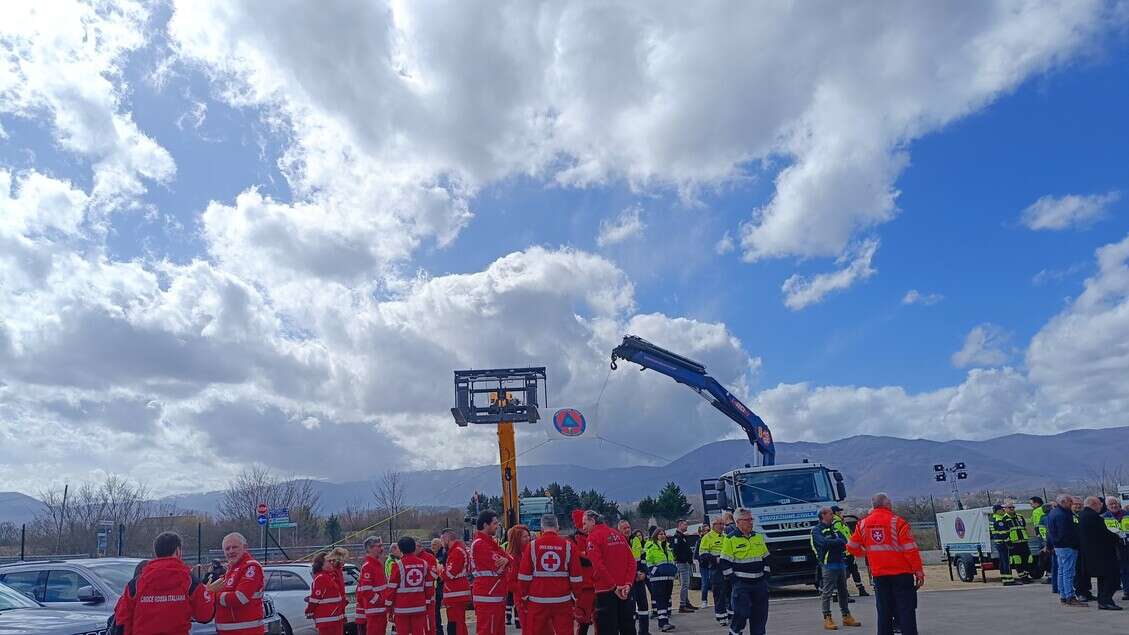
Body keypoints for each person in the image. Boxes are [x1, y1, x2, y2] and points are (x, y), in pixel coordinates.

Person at [846, 493, 923, 635]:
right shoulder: (898, 522)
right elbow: (910, 549)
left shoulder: (862, 524)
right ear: (886, 504)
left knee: (884, 612)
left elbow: (851, 546)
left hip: (880, 575)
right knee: (906, 610)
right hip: (902, 573)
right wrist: (918, 571)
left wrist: (866, 552)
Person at [112, 533, 212, 635]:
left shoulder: (136, 584)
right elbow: (205, 616)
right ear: (178, 551)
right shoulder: (190, 581)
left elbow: (122, 622)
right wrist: (209, 592)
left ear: (156, 553)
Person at [518, 513, 582, 635]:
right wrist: (574, 597)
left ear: (542, 528)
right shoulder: (568, 546)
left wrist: (525, 598)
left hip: (537, 602)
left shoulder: (532, 546)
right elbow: (576, 577)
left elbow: (524, 577)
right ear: (557, 527)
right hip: (562, 601)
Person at [584, 510, 636, 635]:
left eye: (585, 523)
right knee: (628, 626)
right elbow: (632, 562)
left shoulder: (593, 537)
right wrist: (628, 584)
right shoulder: (618, 535)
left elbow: (598, 565)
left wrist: (613, 587)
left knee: (607, 629)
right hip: (624, 591)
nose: (583, 527)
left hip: (606, 591)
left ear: (592, 521)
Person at [811, 507, 862, 630]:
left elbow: (844, 541)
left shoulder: (834, 528)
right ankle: (827, 617)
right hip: (828, 565)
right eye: (830, 513)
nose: (833, 515)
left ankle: (846, 616)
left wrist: (835, 542)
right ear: (823, 515)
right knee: (827, 592)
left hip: (840, 563)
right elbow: (823, 543)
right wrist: (836, 542)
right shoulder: (816, 530)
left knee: (843, 591)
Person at [721, 508, 770, 635]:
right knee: (742, 614)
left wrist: (765, 576)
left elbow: (766, 558)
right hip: (742, 585)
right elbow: (724, 563)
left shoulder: (758, 537)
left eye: (751, 519)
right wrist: (735, 581)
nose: (751, 522)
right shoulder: (730, 539)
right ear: (738, 522)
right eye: (747, 520)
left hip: (760, 584)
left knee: (760, 617)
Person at [205, 532, 266, 635]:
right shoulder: (230, 570)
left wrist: (212, 595)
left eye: (234, 547)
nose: (231, 551)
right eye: (227, 549)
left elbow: (240, 597)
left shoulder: (251, 567)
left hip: (247, 632)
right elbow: (212, 588)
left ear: (245, 547)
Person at [470, 510, 512, 635]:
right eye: (494, 523)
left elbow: (510, 559)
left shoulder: (490, 543)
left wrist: (507, 560)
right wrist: (506, 561)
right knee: (488, 630)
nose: (497, 526)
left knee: (497, 630)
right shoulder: (480, 545)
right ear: (485, 525)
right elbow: (499, 566)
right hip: (488, 595)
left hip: (495, 594)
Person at [1080, 496, 1122, 610]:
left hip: (1092, 553)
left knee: (1103, 579)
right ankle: (1106, 601)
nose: (1101, 506)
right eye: (1100, 504)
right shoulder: (1094, 517)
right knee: (1111, 578)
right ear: (1094, 504)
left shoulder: (1083, 515)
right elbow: (1104, 534)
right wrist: (1116, 537)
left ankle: (1102, 600)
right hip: (1101, 554)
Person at [386, 537, 431, 635]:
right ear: (414, 548)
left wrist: (389, 608)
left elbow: (391, 589)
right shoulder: (424, 564)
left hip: (401, 609)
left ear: (401, 549)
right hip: (419, 607)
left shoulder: (397, 565)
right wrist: (427, 603)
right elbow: (429, 586)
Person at [1047, 494, 1086, 606]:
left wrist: (1050, 545)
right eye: (1070, 502)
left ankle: (1063, 595)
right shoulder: (1063, 515)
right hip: (1067, 547)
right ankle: (1070, 596)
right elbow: (1066, 533)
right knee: (1069, 572)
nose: (1072, 504)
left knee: (1062, 571)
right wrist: (1075, 544)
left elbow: (1050, 532)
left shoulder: (1053, 513)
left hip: (1059, 546)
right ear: (1063, 502)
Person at [644, 527, 677, 632]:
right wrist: (656, 571)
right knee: (660, 600)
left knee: (666, 599)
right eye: (660, 534)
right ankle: (663, 623)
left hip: (668, 578)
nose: (662, 535)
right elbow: (648, 562)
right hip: (658, 579)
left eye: (663, 534)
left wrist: (673, 570)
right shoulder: (651, 546)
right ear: (656, 536)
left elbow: (671, 560)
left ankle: (665, 621)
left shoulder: (668, 547)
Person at [307, 551, 348, 634]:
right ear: (321, 564)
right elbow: (315, 599)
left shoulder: (329, 576)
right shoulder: (321, 578)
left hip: (334, 619)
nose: (332, 563)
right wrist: (309, 611)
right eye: (329, 561)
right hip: (327, 620)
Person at [570, 510, 597, 635]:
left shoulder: (596, 536)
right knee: (583, 620)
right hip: (584, 587)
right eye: (582, 525)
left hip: (598, 585)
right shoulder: (572, 540)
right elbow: (579, 557)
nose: (585, 528)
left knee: (600, 619)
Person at [439, 529, 471, 635]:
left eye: (442, 540)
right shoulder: (456, 550)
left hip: (456, 594)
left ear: (447, 539)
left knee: (456, 624)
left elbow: (449, 573)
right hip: (455, 594)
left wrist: (440, 569)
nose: (442, 544)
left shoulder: (457, 551)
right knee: (455, 623)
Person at [832, 506, 868, 597]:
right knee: (846, 573)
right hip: (844, 552)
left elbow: (849, 536)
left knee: (854, 571)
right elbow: (840, 537)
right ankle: (846, 592)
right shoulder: (836, 523)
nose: (841, 513)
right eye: (839, 511)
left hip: (849, 551)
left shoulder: (841, 522)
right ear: (835, 513)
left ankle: (860, 589)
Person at [358, 536, 389, 635]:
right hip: (375, 610)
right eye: (379, 546)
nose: (382, 549)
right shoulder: (367, 566)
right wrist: (379, 601)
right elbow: (366, 591)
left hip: (381, 609)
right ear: (370, 548)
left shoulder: (378, 564)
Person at [624, 524, 651, 635]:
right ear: (619, 530)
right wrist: (634, 574)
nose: (627, 530)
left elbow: (643, 559)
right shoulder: (619, 542)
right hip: (628, 581)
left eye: (628, 528)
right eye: (624, 528)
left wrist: (644, 573)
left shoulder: (636, 540)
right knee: (630, 609)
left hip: (640, 579)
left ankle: (644, 631)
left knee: (644, 607)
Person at [1102, 496, 1129, 601]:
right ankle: (1127, 590)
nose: (1114, 506)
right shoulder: (1104, 517)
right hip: (1115, 547)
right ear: (1107, 506)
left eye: (1115, 503)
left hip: (1127, 544)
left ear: (1119, 504)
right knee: (1123, 570)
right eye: (1111, 504)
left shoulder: (1127, 515)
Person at [505, 525, 531, 631]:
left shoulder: (530, 552)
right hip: (522, 598)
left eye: (528, 536)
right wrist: (525, 592)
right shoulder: (512, 558)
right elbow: (510, 583)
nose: (528, 538)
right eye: (524, 537)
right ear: (517, 539)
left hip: (533, 597)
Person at [669, 520, 697, 613]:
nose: (686, 527)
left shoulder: (682, 536)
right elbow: (676, 551)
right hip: (682, 563)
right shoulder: (677, 537)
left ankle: (686, 602)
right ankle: (682, 605)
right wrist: (685, 559)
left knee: (687, 583)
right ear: (680, 525)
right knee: (684, 584)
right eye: (685, 525)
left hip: (686, 563)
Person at [1003, 502, 1034, 582]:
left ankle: (1026, 575)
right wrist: (1008, 542)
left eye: (1013, 507)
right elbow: (1004, 532)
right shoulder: (1004, 519)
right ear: (1005, 509)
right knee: (1017, 560)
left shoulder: (1020, 517)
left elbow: (1023, 527)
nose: (1012, 509)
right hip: (1014, 543)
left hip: (1023, 542)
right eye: (1010, 507)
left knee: (1028, 559)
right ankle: (1022, 577)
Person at [417, 542, 441, 635]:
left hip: (429, 596)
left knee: (430, 624)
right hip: (416, 596)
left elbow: (434, 575)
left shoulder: (429, 557)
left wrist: (424, 567)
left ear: (419, 546)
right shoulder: (410, 557)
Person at [989, 504, 1016, 586]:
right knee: (1006, 561)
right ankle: (1009, 580)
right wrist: (1008, 541)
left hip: (999, 543)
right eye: (1002, 509)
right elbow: (1003, 533)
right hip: (1003, 543)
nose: (1004, 510)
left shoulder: (994, 518)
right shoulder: (999, 519)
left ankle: (1005, 578)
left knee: (1002, 561)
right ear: (997, 510)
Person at [430, 539, 445, 635]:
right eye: (432, 545)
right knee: (436, 612)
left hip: (440, 588)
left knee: (436, 612)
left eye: (435, 544)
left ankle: (439, 631)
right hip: (437, 588)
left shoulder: (442, 555)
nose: (433, 546)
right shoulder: (434, 555)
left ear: (440, 545)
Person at [695, 525, 711, 608]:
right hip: (704, 566)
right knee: (705, 583)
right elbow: (696, 555)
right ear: (702, 532)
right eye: (706, 530)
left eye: (709, 530)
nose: (708, 532)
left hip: (713, 565)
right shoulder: (699, 541)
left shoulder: (713, 539)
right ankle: (704, 600)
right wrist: (702, 560)